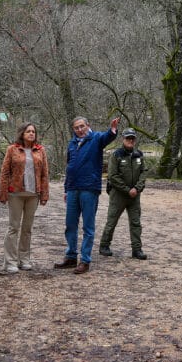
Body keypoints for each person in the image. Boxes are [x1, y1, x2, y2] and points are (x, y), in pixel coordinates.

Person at [54, 115, 119, 274]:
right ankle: (70, 257)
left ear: (87, 125)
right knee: (70, 224)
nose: (79, 130)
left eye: (82, 126)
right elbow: (69, 167)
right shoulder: (72, 143)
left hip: (89, 188)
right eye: (76, 128)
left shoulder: (96, 138)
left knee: (88, 227)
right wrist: (66, 189)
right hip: (72, 189)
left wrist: (112, 130)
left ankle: (85, 260)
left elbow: (108, 137)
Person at [0, 123, 50, 274]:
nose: (31, 133)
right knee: (13, 227)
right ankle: (10, 262)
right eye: (28, 131)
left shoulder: (40, 150)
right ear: (22, 133)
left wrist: (44, 194)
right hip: (15, 193)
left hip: (33, 194)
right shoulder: (12, 149)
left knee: (27, 229)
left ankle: (24, 259)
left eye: (33, 131)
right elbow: (4, 172)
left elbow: (45, 174)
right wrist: (3, 193)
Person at [99, 128, 148, 259]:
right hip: (119, 195)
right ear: (123, 139)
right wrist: (127, 189)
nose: (130, 140)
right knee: (112, 221)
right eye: (128, 138)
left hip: (134, 196)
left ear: (135, 140)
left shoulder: (139, 155)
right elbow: (113, 176)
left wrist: (137, 189)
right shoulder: (116, 155)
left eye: (132, 138)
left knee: (136, 223)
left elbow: (144, 172)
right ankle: (104, 245)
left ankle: (137, 249)